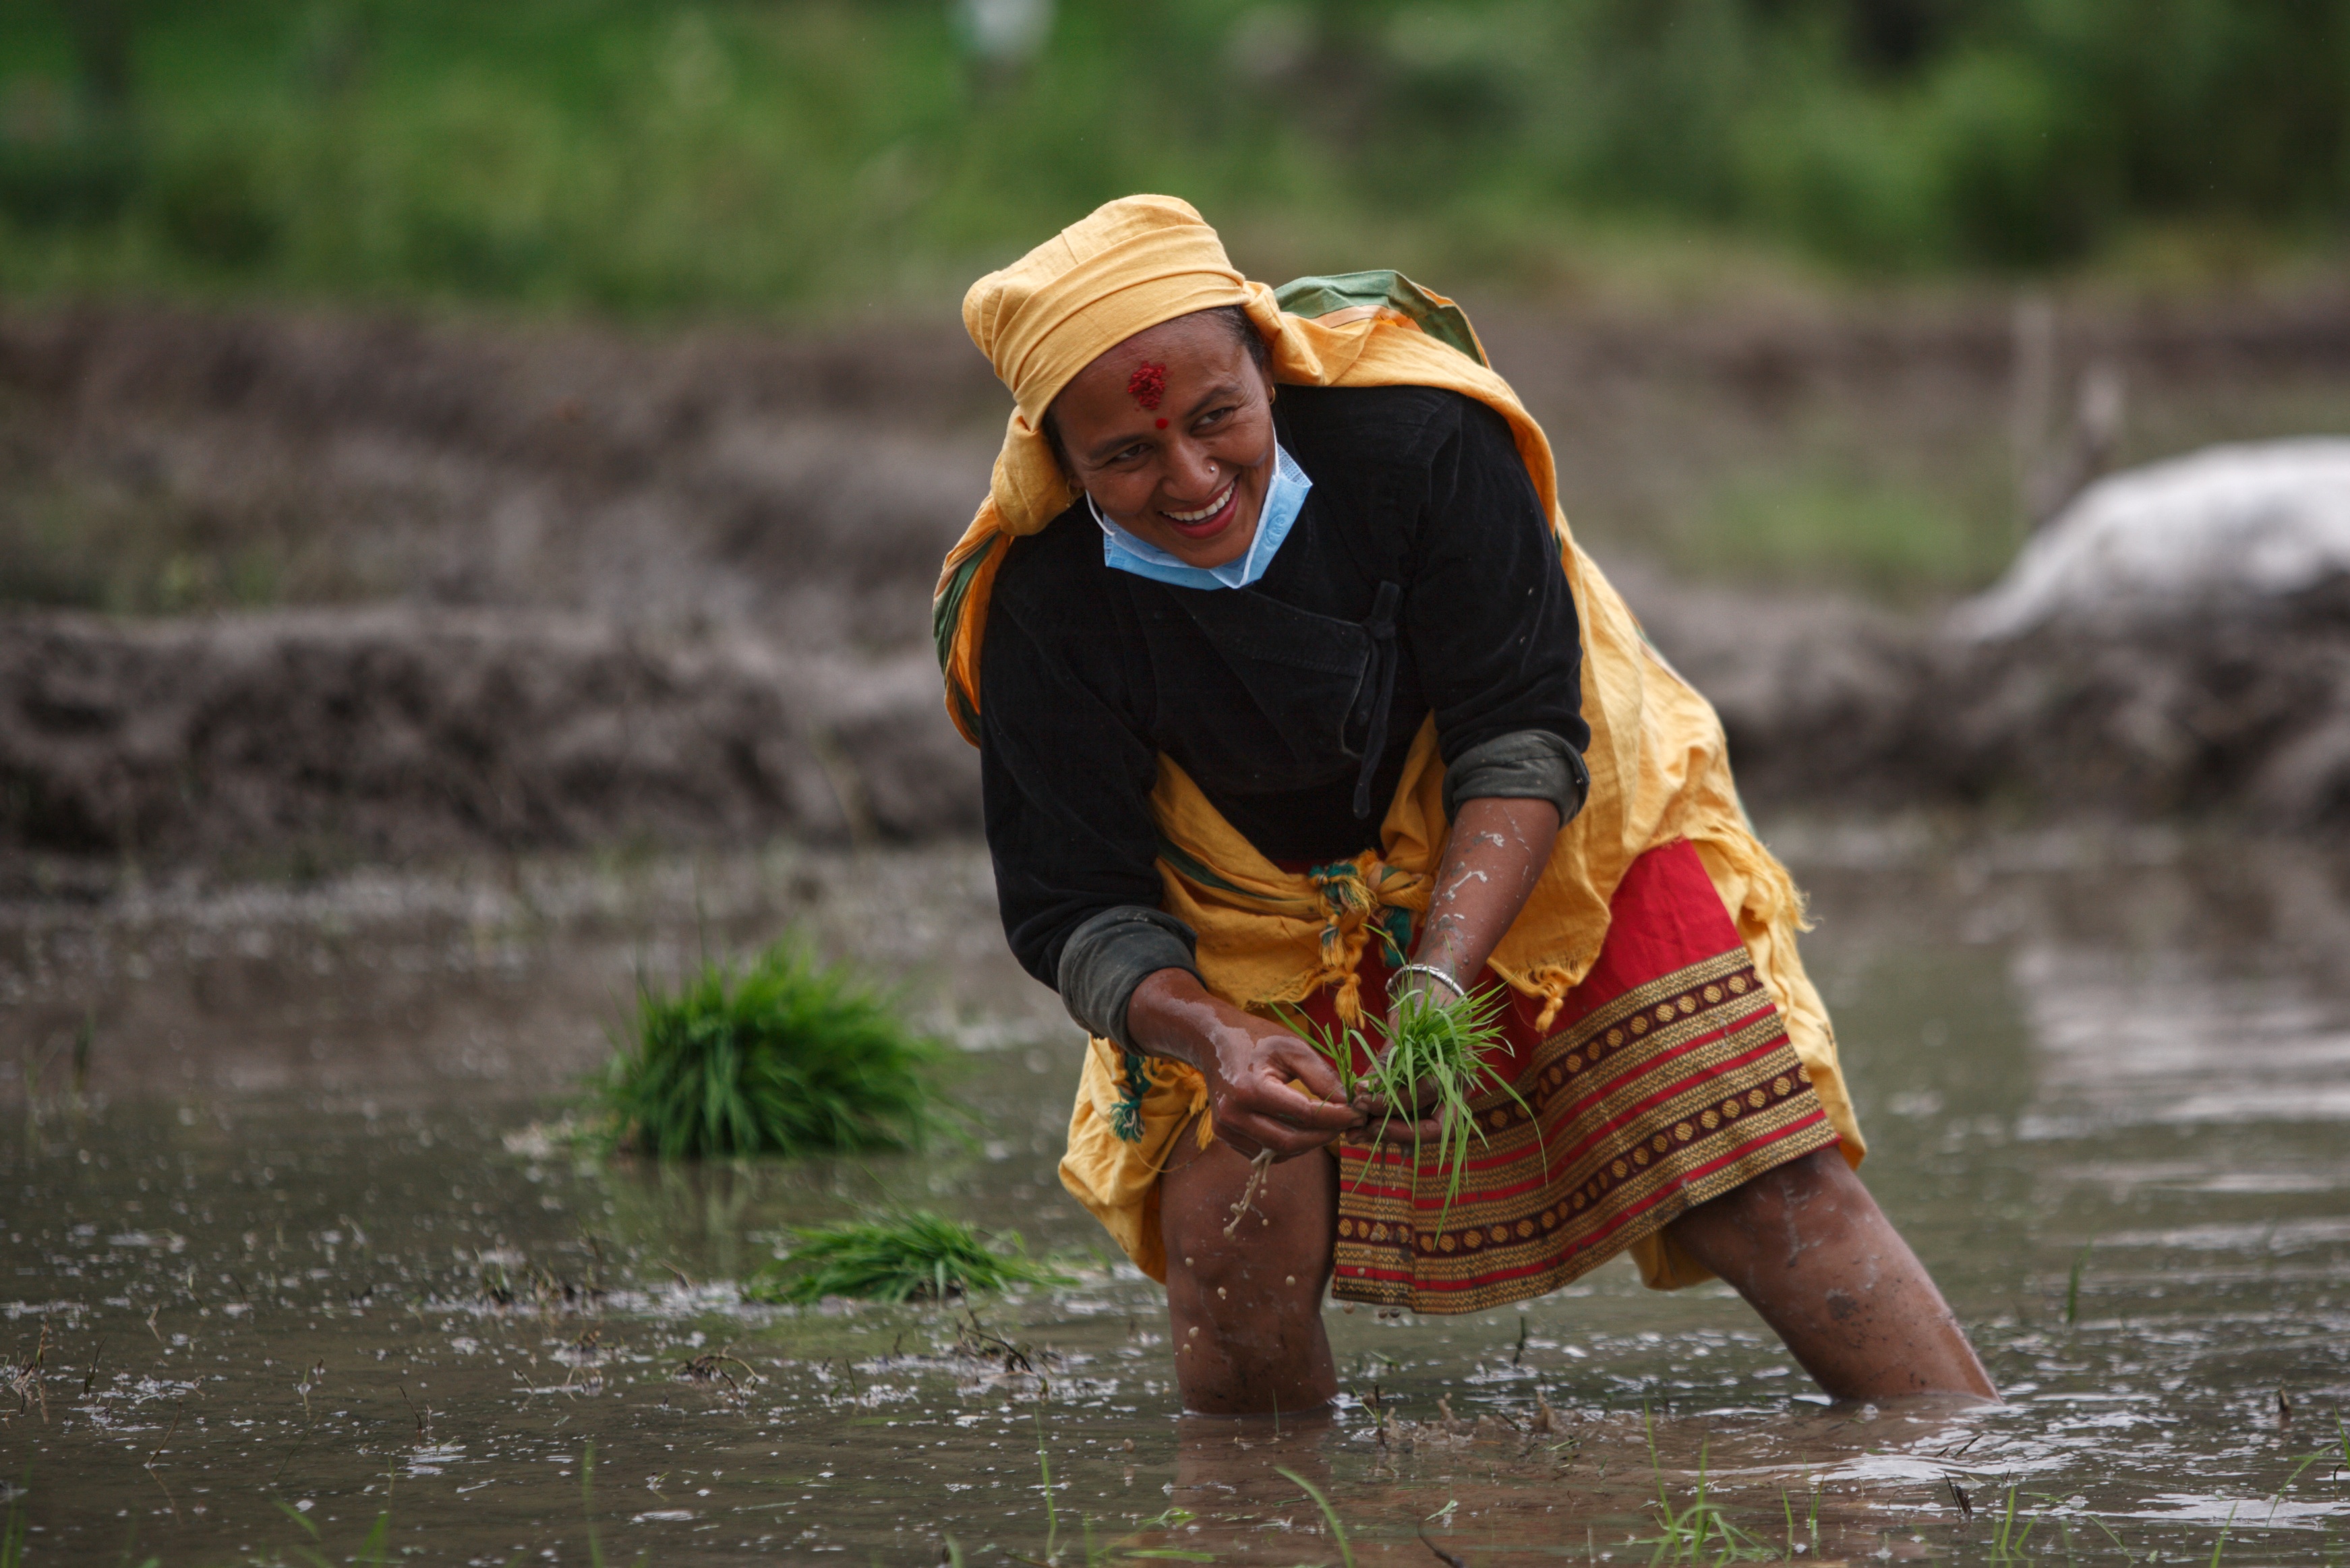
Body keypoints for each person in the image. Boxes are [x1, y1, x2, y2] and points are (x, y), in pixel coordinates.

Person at [935, 195, 1995, 1416]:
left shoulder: (1420, 434)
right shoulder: (1039, 605)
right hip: (1247, 917)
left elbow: (1521, 730)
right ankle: (1271, 1527)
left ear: (1268, 363)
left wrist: (1439, 972)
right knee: (1229, 1251)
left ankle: (1960, 1471)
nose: (1190, 478)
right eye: (1124, 454)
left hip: (1529, 836)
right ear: (1061, 459)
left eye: (1218, 417)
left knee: (1762, 1165)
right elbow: (1079, 904)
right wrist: (1217, 1042)